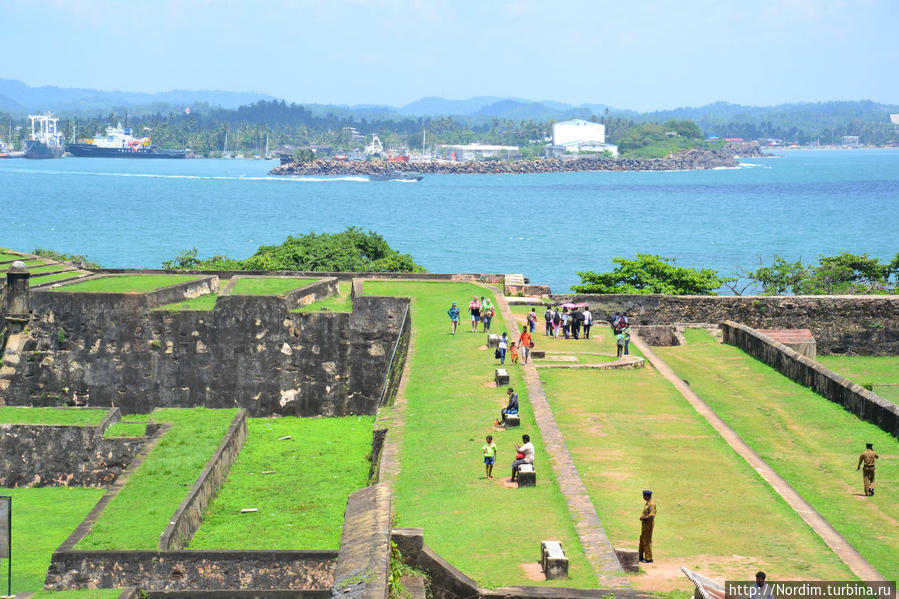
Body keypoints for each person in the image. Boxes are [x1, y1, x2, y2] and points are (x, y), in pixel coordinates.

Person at [638, 490, 656, 563]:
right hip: (645, 525)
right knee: (642, 539)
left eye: (644, 496)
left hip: (648, 525)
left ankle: (648, 558)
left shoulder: (651, 504)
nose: (643, 497)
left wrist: (643, 518)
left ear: (647, 496)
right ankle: (640, 556)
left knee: (647, 540)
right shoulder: (648, 503)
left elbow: (651, 516)